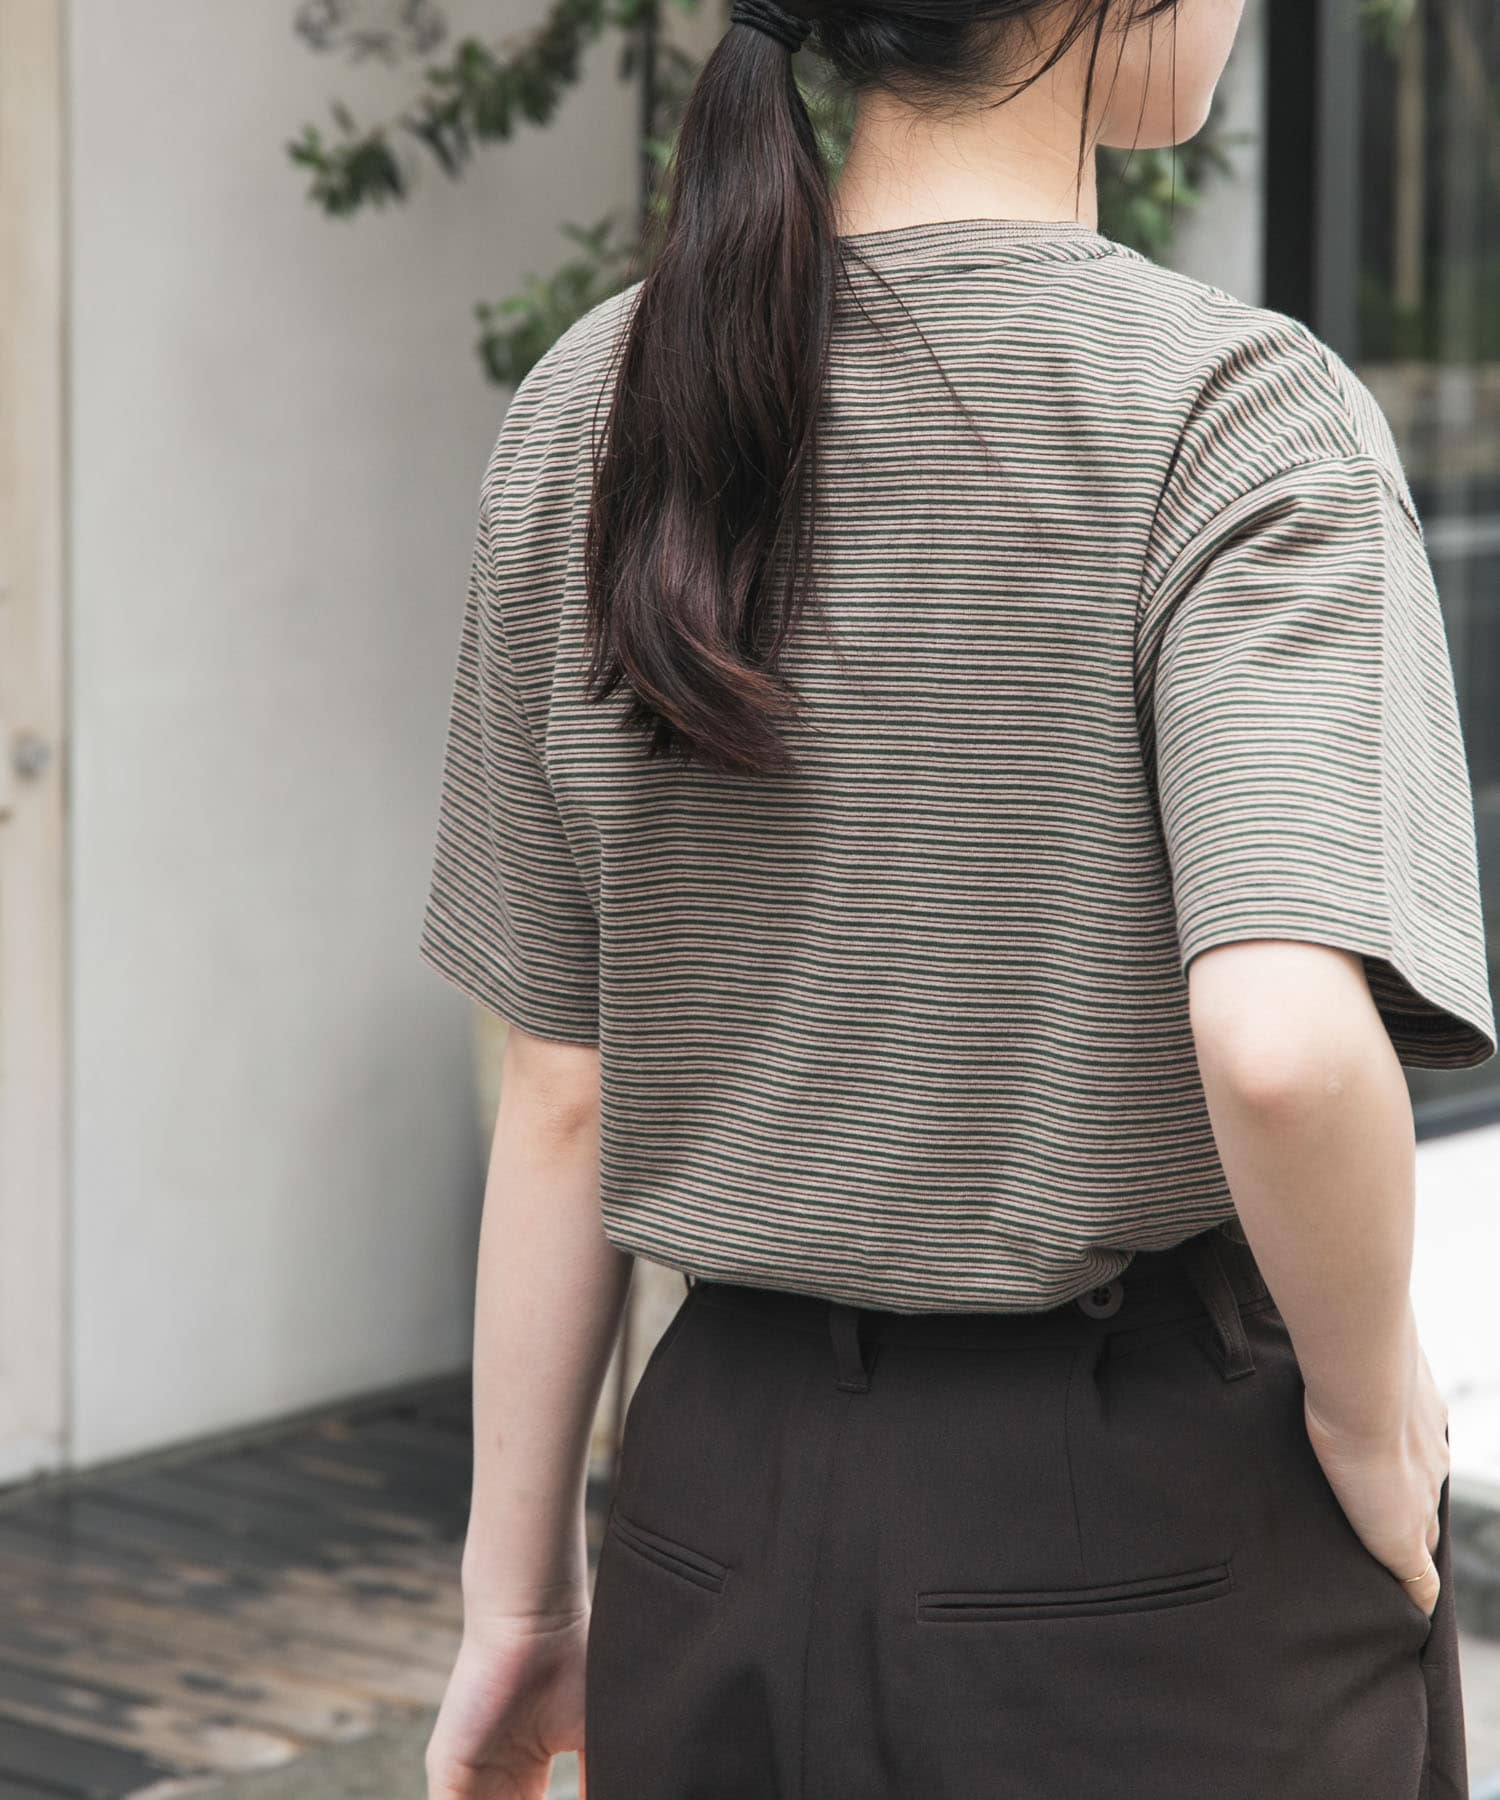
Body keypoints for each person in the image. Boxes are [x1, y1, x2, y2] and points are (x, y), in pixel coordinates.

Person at [417, 0, 1497, 1793]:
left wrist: (517, 1604)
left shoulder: (591, 405)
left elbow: (563, 1086)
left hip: (714, 1514)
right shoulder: (1233, 411)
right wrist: (1373, 1415)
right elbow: (1285, 1046)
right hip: (1148, 1536)